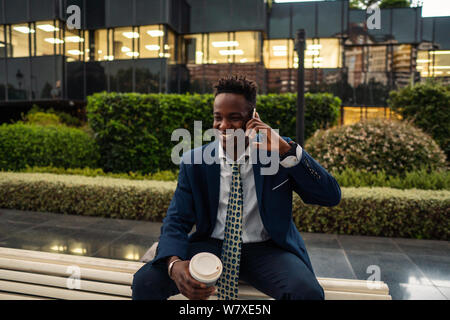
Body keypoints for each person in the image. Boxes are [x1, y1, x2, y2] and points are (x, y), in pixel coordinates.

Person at [132, 75, 341, 300]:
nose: (223, 126)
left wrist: (286, 150)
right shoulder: (195, 161)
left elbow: (330, 196)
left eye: (234, 118)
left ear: (252, 118)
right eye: (217, 117)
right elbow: (176, 219)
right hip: (211, 246)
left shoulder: (277, 152)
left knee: (307, 293)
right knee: (146, 281)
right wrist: (174, 265)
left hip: (267, 249)